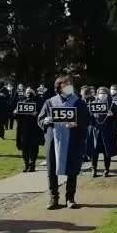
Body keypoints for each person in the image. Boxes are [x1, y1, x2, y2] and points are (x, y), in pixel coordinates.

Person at [37, 75, 90, 209]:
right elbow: (40, 119)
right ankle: (53, 198)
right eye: (65, 85)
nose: (68, 87)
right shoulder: (50, 102)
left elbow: (86, 120)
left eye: (70, 84)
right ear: (59, 87)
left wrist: (77, 124)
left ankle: (70, 198)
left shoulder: (78, 102)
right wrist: (45, 121)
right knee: (52, 169)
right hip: (54, 139)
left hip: (72, 139)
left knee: (72, 169)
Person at [87, 87, 117, 177]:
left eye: (104, 93)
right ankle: (94, 169)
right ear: (97, 94)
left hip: (108, 131)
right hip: (96, 131)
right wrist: (91, 115)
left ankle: (107, 169)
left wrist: (113, 115)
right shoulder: (92, 104)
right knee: (94, 152)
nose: (102, 95)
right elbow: (87, 119)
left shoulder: (112, 105)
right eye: (100, 93)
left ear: (108, 95)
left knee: (107, 152)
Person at [15, 87, 44, 172]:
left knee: (34, 147)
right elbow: (17, 116)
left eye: (30, 92)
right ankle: (26, 164)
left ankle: (32, 164)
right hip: (23, 129)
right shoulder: (20, 101)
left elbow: (42, 113)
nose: (28, 93)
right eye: (27, 92)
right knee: (24, 147)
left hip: (34, 128)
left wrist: (36, 113)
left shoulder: (38, 101)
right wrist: (16, 112)